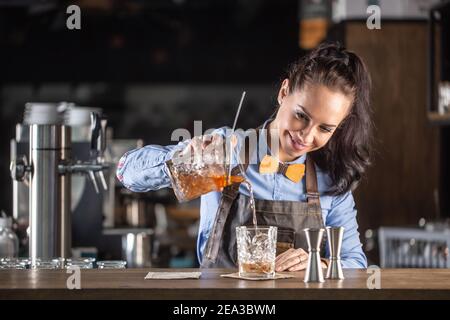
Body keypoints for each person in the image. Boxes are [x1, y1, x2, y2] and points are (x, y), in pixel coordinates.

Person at [117, 42, 373, 270]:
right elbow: (126, 172)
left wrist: (322, 262)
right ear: (284, 92)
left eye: (325, 128)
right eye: (301, 116)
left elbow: (355, 263)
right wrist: (181, 161)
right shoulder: (226, 149)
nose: (306, 135)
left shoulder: (332, 180)